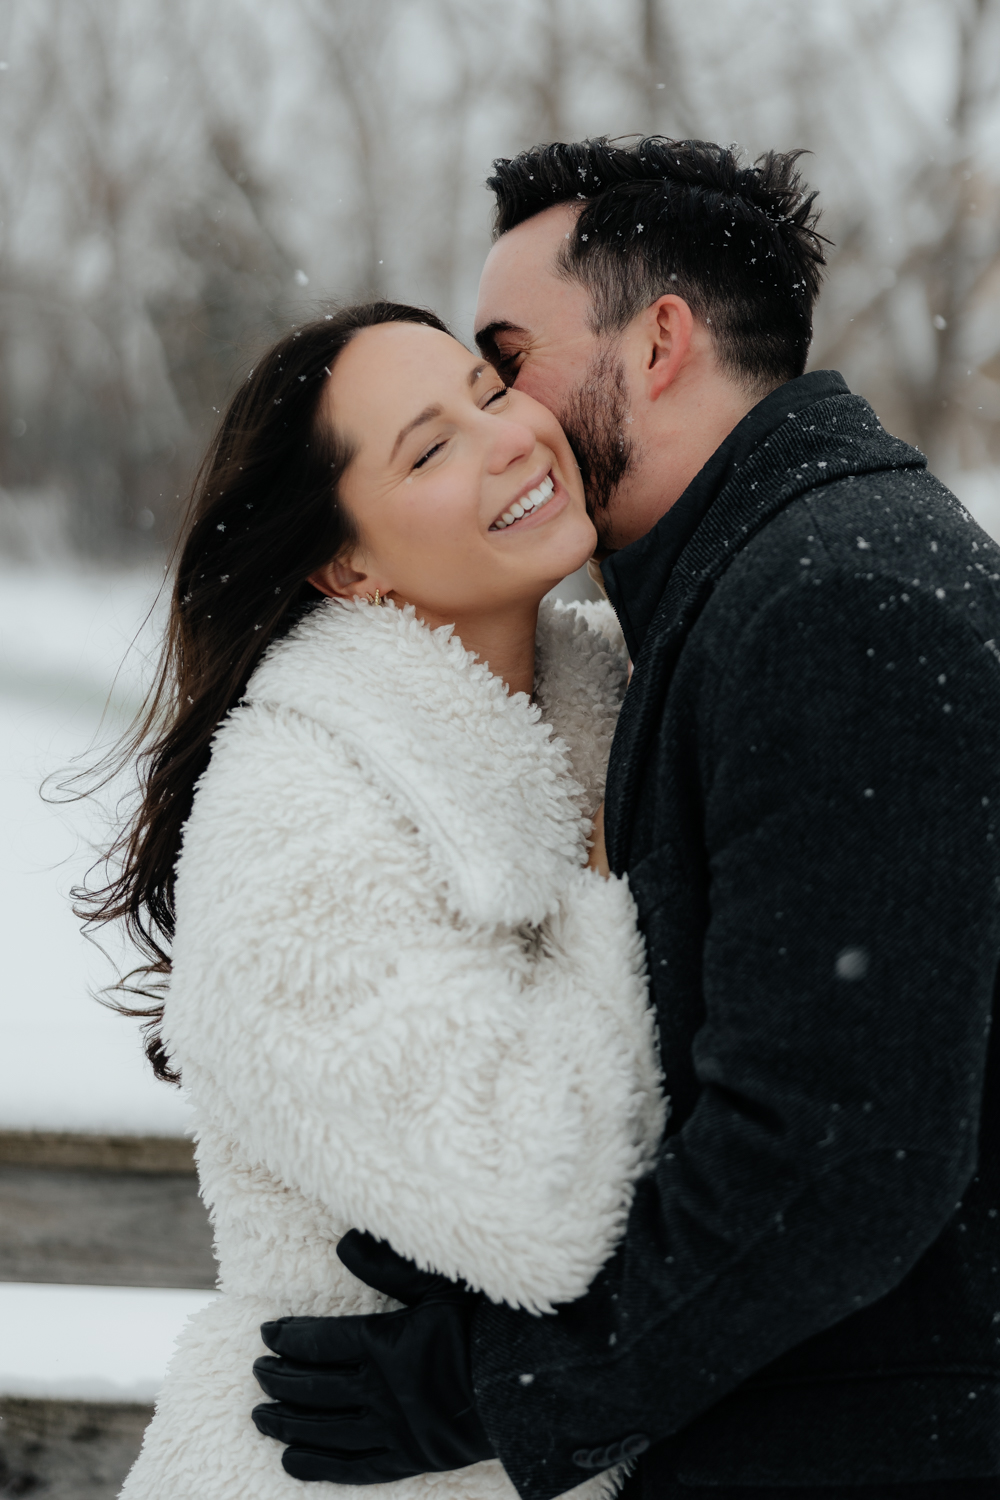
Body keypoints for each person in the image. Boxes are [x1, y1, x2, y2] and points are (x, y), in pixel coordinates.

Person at [253, 139, 1000, 1499]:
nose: (509, 418)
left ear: (657, 343)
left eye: (505, 360)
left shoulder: (838, 600)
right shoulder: (754, 595)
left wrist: (490, 1386)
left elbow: (841, 1160)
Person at [84, 300, 665, 1500]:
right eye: (429, 447)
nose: (508, 439)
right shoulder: (292, 812)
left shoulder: (608, 691)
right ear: (346, 562)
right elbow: (542, 1200)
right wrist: (612, 876)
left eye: (488, 393)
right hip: (332, 1470)